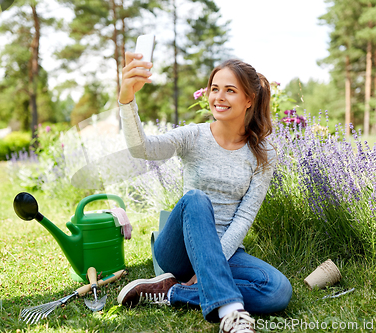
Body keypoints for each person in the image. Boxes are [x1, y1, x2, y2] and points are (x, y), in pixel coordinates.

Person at [116, 52, 292, 333]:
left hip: (227, 251)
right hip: (178, 250)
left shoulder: (263, 153)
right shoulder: (193, 136)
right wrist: (127, 99)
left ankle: (171, 293)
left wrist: (209, 266)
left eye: (230, 91)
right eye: (215, 89)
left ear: (249, 100)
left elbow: (245, 217)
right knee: (196, 199)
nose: (219, 97)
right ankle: (232, 314)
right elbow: (142, 149)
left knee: (277, 290)